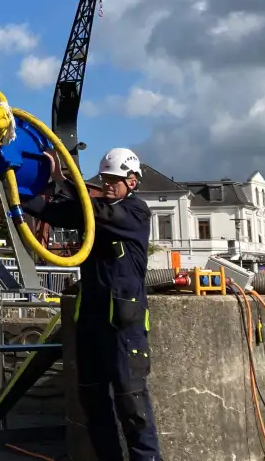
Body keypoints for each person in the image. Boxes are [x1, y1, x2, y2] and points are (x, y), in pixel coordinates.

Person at [23, 148, 162, 461]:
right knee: (93, 401)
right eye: (106, 178)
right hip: (92, 323)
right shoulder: (94, 211)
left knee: (132, 405)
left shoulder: (136, 212)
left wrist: (62, 179)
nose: (109, 184)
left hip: (125, 328)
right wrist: (12, 195)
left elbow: (96, 211)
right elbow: (57, 211)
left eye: (115, 179)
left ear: (132, 181)